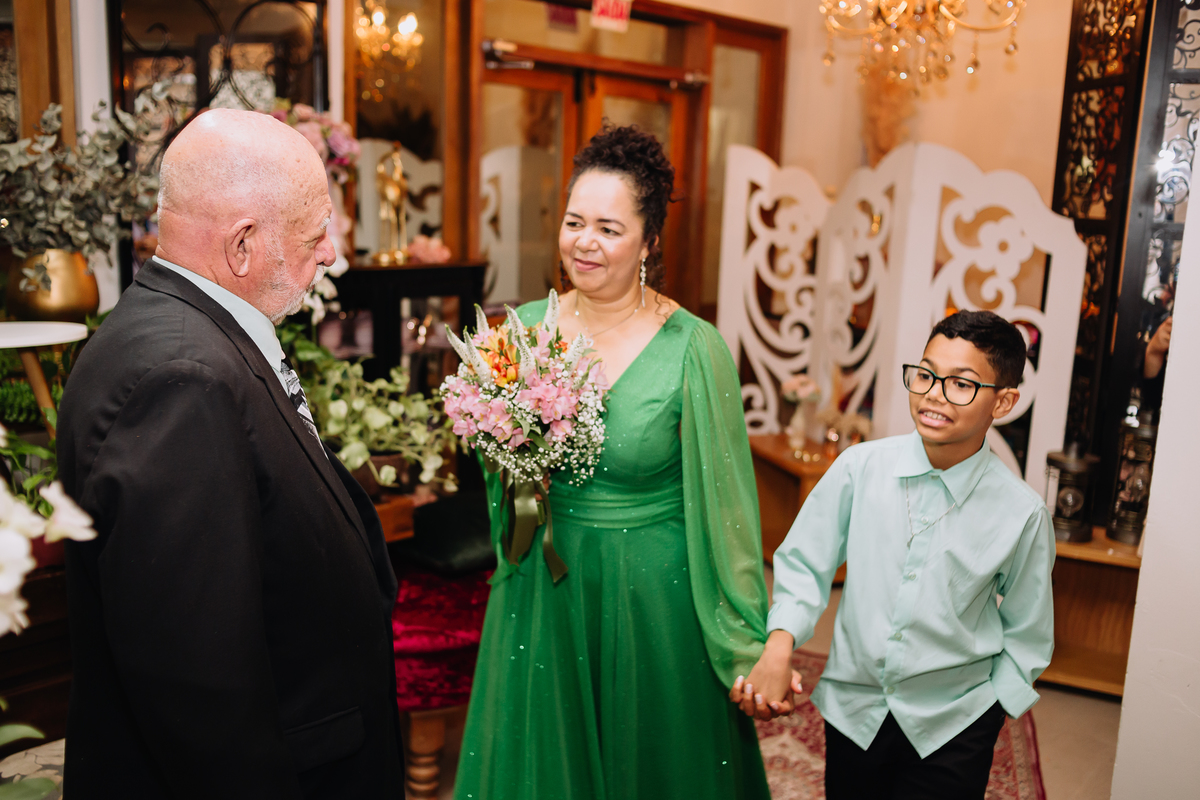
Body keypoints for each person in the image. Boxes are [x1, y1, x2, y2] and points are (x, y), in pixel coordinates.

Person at [56, 109, 404, 799]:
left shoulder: (186, 332)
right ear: (243, 244)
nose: (331, 253)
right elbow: (202, 696)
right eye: (315, 233)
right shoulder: (182, 380)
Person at [454, 124, 780, 799]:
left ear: (649, 241)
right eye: (575, 222)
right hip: (544, 583)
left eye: (609, 228)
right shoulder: (523, 331)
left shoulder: (694, 349)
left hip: (650, 594)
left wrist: (745, 639)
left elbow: (727, 510)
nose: (585, 242)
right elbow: (497, 470)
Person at [735, 310, 1055, 799]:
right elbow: (804, 563)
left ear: (1004, 401)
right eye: (926, 374)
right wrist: (780, 646)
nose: (934, 394)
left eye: (961, 384)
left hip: (953, 725)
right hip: (854, 711)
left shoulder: (1022, 513)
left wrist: (991, 711)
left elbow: (1028, 630)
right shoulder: (859, 468)